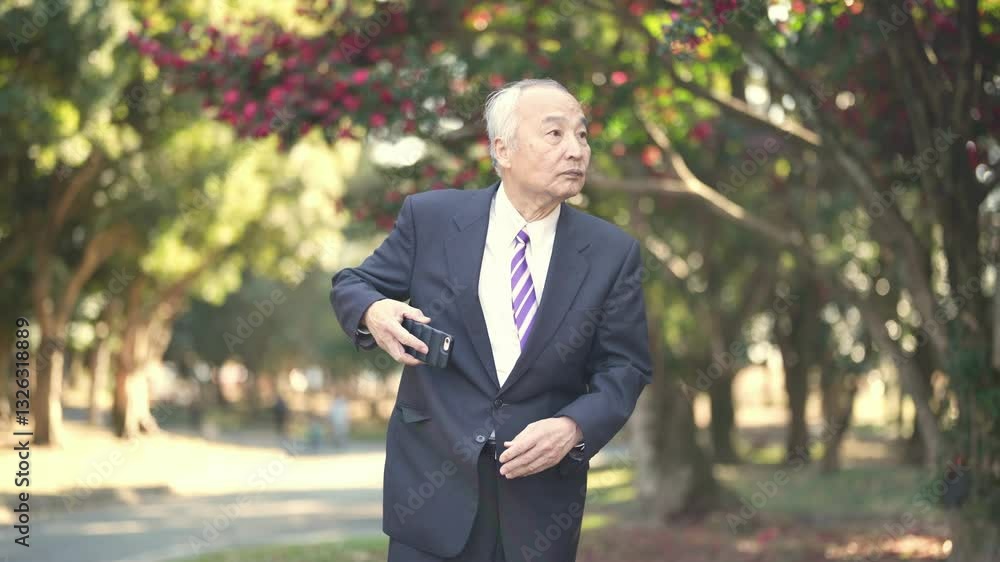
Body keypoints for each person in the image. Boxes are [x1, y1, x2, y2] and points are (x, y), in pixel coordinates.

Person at [330, 78, 652, 562]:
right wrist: (372, 310)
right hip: (429, 499)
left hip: (539, 507)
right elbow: (352, 283)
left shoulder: (612, 252)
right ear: (503, 149)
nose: (576, 150)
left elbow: (625, 367)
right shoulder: (431, 218)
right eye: (555, 133)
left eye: (582, 135)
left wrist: (573, 427)